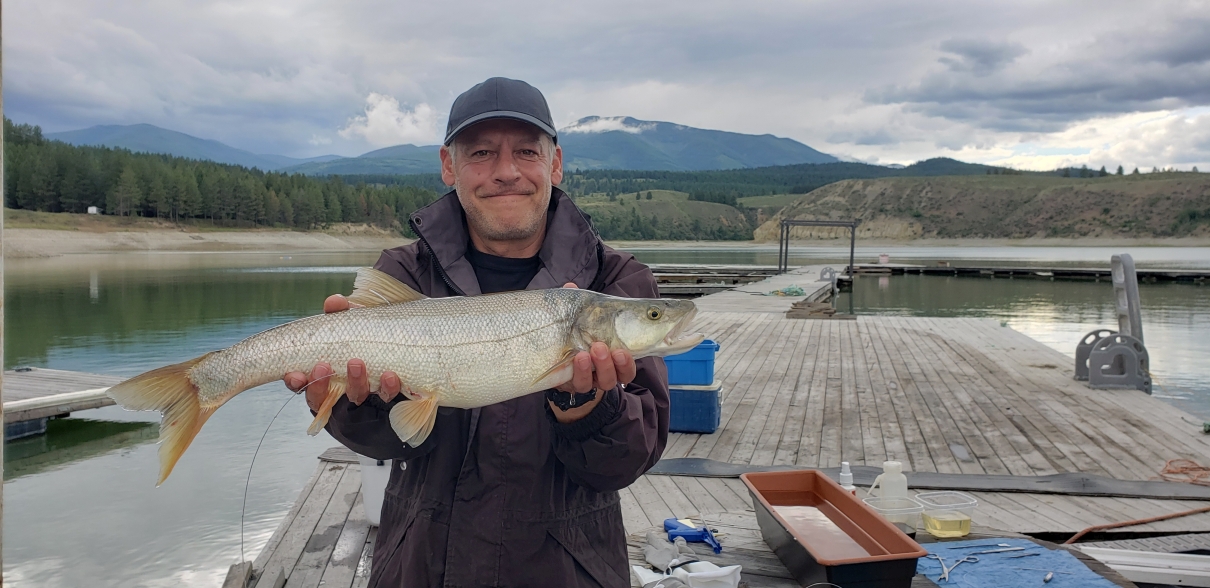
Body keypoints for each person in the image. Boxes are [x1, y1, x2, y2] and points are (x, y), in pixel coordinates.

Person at [282, 77, 670, 588]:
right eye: (482, 152)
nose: (505, 172)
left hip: (567, 572)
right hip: (422, 567)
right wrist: (351, 404)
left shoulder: (615, 282)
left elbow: (628, 461)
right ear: (449, 166)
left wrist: (590, 408)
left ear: (555, 163)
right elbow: (390, 442)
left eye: (526, 151)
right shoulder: (404, 272)